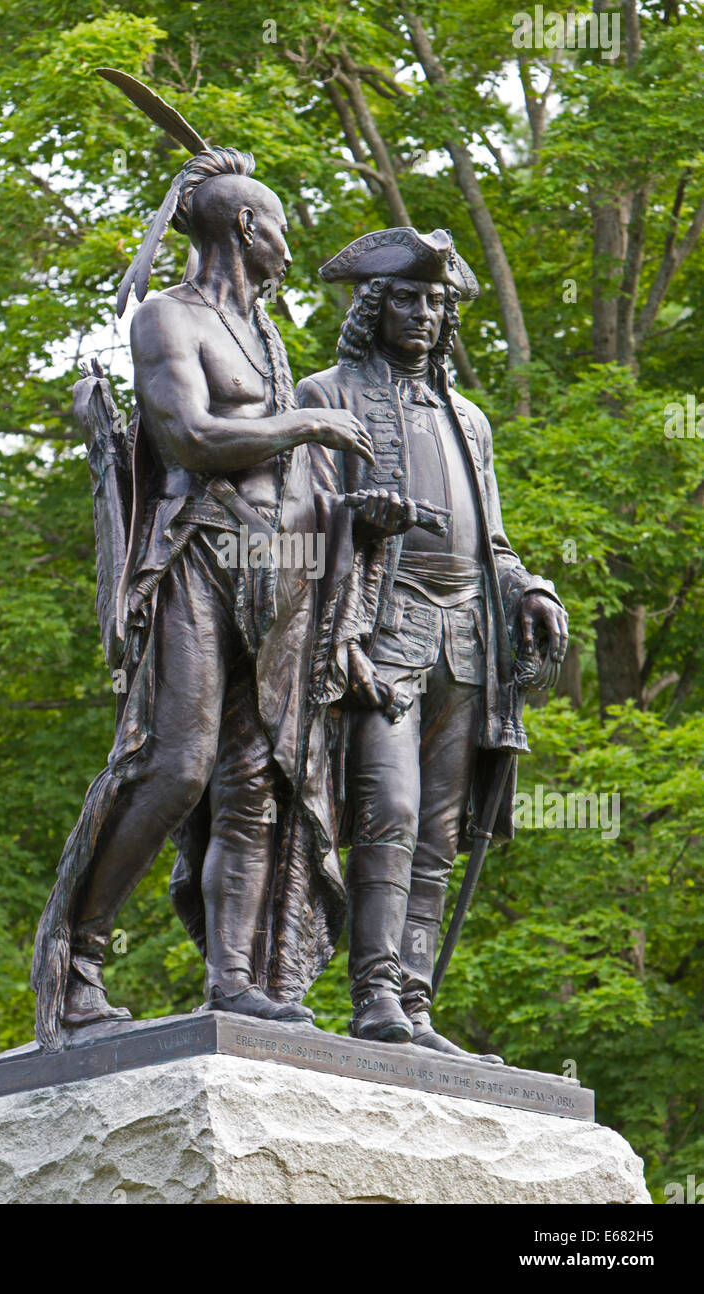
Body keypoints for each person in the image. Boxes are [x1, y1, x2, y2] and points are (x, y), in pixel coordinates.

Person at [32, 147, 385, 1050]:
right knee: (176, 766)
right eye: (278, 228)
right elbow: (188, 436)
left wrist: (356, 526)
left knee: (256, 781)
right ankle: (78, 967)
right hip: (195, 557)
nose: (288, 246)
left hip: (279, 576)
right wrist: (307, 421)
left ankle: (235, 981)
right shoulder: (167, 318)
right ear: (243, 227)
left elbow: (296, 484)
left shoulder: (269, 340)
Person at [296, 227, 568, 1056]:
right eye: (406, 299)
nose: (422, 314)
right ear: (375, 307)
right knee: (391, 813)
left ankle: (414, 1004)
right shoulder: (326, 395)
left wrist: (534, 588)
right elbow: (288, 528)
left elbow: (494, 543)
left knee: (441, 836)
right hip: (379, 636)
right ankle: (372, 991)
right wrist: (352, 517)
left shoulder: (469, 420)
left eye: (436, 302)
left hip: (468, 641)